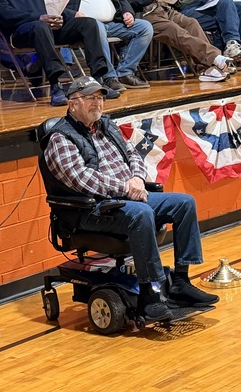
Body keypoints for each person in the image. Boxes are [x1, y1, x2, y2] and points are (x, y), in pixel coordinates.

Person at [44, 76, 220, 321]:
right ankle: (148, 294)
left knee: (184, 203)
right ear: (72, 104)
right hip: (92, 209)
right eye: (90, 98)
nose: (97, 102)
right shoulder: (60, 138)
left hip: (126, 196)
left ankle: (180, 281)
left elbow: (133, 155)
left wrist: (137, 178)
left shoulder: (107, 125)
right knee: (142, 213)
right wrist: (125, 188)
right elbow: (82, 180)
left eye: (100, 97)